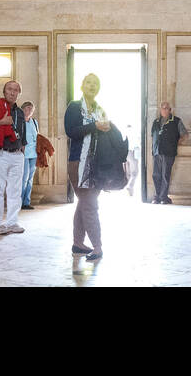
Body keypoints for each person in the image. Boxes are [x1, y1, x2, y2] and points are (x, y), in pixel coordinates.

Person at [64, 73, 108, 261]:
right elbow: (70, 131)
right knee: (90, 204)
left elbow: (103, 132)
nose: (92, 86)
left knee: (84, 203)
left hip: (96, 164)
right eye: (89, 83)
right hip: (78, 162)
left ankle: (78, 243)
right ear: (82, 86)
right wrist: (94, 126)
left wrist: (106, 127)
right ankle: (97, 246)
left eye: (95, 83)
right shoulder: (74, 106)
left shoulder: (100, 108)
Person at [0, 80, 28, 235]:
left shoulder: (20, 112)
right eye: (10, 89)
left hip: (17, 155)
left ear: (19, 93)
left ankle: (12, 223)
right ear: (4, 91)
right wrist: (1, 122)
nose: (13, 92)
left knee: (15, 190)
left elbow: (23, 134)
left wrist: (22, 150)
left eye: (16, 90)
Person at [150, 101, 187, 205]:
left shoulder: (176, 121)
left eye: (167, 108)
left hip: (169, 152)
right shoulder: (156, 122)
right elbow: (153, 136)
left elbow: (184, 135)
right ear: (160, 110)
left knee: (165, 175)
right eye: (163, 108)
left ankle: (163, 197)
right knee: (156, 175)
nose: (165, 110)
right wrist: (153, 149)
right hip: (157, 152)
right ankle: (156, 197)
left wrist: (175, 143)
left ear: (170, 110)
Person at [21, 101, 39, 209]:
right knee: (24, 177)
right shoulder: (19, 122)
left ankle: (26, 202)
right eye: (27, 108)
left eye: (31, 109)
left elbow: (37, 136)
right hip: (24, 153)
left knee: (30, 178)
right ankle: (19, 202)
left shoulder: (34, 122)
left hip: (34, 153)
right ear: (22, 109)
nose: (29, 111)